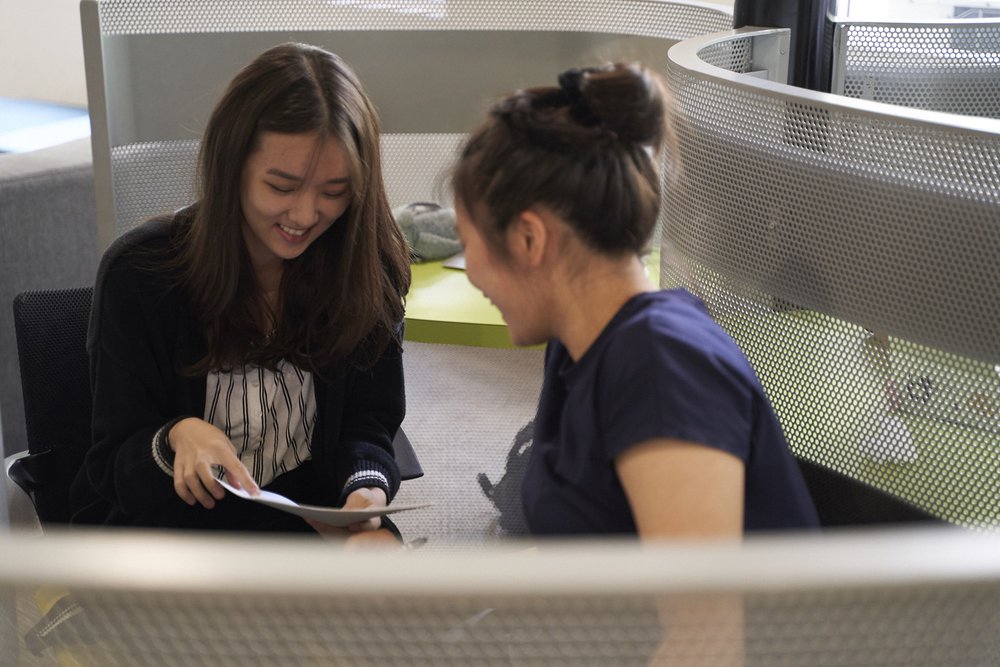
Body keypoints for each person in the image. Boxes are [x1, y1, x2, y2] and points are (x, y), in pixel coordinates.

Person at [451, 63, 819, 541]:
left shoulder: (663, 366)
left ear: (528, 238)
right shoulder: (578, 343)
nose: (472, 272)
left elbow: (707, 617)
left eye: (467, 241)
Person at [70, 43, 411, 542]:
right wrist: (176, 438)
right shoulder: (140, 273)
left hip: (299, 514)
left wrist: (366, 491)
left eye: (334, 192)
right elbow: (112, 465)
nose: (304, 215)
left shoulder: (363, 266)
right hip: (164, 528)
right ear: (231, 167)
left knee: (385, 570)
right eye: (281, 186)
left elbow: (370, 422)